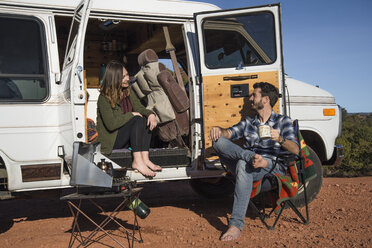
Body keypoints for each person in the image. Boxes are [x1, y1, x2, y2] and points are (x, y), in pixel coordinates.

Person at [210, 82, 299, 241]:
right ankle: (248, 156)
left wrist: (280, 138)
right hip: (249, 162)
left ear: (265, 99)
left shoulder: (283, 121)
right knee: (218, 142)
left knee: (243, 165)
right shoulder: (249, 122)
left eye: (254, 95)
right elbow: (228, 133)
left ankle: (235, 225)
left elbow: (296, 150)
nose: (250, 98)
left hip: (271, 168)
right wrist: (218, 130)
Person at [96, 60, 162, 177]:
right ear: (114, 79)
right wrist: (131, 115)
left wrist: (151, 114)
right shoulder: (103, 98)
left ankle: (145, 159)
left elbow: (140, 108)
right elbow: (111, 124)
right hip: (113, 140)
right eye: (123, 77)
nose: (127, 79)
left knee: (143, 119)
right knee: (136, 119)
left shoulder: (128, 91)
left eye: (126, 75)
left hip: (127, 137)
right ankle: (137, 161)